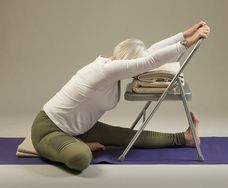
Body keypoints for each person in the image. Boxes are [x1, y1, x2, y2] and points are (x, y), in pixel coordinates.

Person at [31, 21, 210, 172]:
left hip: (80, 128)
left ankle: (185, 138)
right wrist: (189, 42)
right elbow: (150, 60)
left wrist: (186, 33)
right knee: (81, 158)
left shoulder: (112, 68)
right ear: (129, 62)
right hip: (48, 129)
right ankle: (78, 145)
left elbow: (151, 52)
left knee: (126, 136)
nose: (139, 71)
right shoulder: (106, 70)